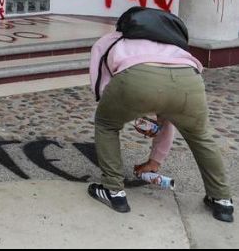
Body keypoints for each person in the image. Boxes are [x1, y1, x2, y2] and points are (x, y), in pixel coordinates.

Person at [88, 29, 233, 222]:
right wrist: (154, 161)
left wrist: (126, 108)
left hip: (136, 78)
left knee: (106, 124)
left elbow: (102, 83)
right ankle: (222, 201)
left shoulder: (111, 39)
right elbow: (167, 116)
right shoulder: (169, 40)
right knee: (200, 136)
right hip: (189, 79)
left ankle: (113, 190)